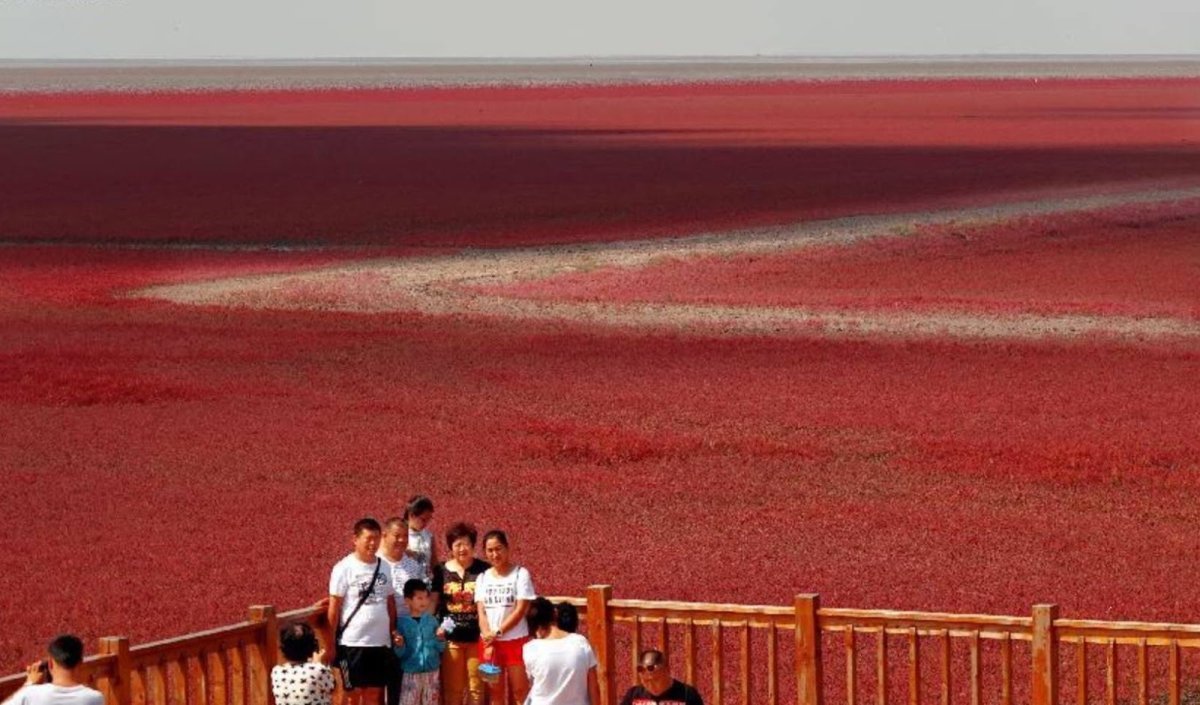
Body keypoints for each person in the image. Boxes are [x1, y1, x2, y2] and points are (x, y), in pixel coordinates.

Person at [328, 517, 402, 705]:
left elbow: (389, 601)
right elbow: (334, 607)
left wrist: (392, 630)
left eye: (376, 538)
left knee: (374, 695)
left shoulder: (384, 566)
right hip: (352, 643)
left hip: (380, 643)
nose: (373, 543)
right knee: (351, 695)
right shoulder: (344, 568)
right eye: (368, 538)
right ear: (355, 539)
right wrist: (330, 643)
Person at [475, 529, 536, 705]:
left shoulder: (520, 574)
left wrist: (499, 631)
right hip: (489, 644)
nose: (495, 554)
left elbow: (520, 609)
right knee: (495, 692)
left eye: (498, 548)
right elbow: (481, 611)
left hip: (515, 641)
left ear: (507, 548)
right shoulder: (482, 578)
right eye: (490, 550)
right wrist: (487, 634)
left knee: (520, 690)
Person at [433, 522, 490, 705]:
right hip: (451, 639)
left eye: (466, 544)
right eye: (457, 544)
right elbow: (434, 601)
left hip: (476, 638)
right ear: (450, 547)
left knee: (476, 688)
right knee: (453, 689)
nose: (462, 549)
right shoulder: (441, 571)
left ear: (473, 545)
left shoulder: (484, 570)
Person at [378, 516, 423, 705]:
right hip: (378, 635)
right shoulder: (375, 564)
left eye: (405, 536)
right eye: (397, 536)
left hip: (407, 635)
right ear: (385, 535)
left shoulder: (413, 566)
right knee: (377, 688)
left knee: (404, 687)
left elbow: (422, 600)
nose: (402, 540)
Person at [522, 598, 599, 705]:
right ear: (555, 614)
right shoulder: (581, 642)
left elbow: (522, 688)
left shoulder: (530, 649)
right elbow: (594, 689)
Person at [2, 635, 103, 705]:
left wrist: (29, 683)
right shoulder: (95, 698)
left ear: (50, 663)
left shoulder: (31, 694)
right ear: (80, 663)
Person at [393, 580, 446, 705]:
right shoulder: (402, 623)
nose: (424, 601)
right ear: (407, 601)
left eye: (426, 597)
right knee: (409, 701)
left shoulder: (432, 621)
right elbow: (400, 653)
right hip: (411, 671)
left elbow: (440, 648)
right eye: (419, 598)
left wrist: (441, 639)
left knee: (431, 701)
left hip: (432, 670)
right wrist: (399, 645)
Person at [272, 622, 336, 705]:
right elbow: (333, 687)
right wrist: (318, 664)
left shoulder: (276, 672)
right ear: (312, 647)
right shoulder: (318, 670)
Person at [619, 650, 703, 705]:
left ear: (667, 670)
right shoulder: (633, 695)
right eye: (646, 681)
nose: (651, 685)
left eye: (655, 680)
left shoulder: (687, 694)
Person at [402, 496, 436, 584]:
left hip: (425, 585)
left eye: (428, 520)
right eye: (423, 520)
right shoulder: (399, 535)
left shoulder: (429, 536)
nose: (426, 524)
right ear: (412, 515)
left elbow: (434, 563)